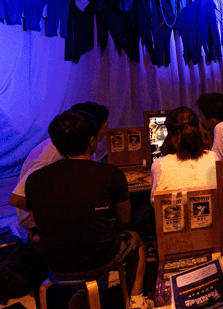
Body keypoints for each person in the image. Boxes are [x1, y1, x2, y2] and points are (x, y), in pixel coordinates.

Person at [24, 111, 151, 309]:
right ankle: (136, 301)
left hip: (55, 264)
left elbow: (39, 220)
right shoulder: (110, 174)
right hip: (100, 259)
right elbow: (124, 219)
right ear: (92, 141)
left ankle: (79, 297)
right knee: (136, 239)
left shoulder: (34, 180)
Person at [9, 101, 109, 241]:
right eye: (104, 128)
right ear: (90, 130)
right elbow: (17, 199)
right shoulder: (53, 154)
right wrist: (52, 217)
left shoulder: (82, 149)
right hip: (45, 228)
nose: (107, 132)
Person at [150, 107, 217, 205]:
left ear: (169, 133)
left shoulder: (158, 164)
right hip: (210, 215)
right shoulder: (214, 158)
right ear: (198, 130)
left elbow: (155, 203)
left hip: (173, 215)